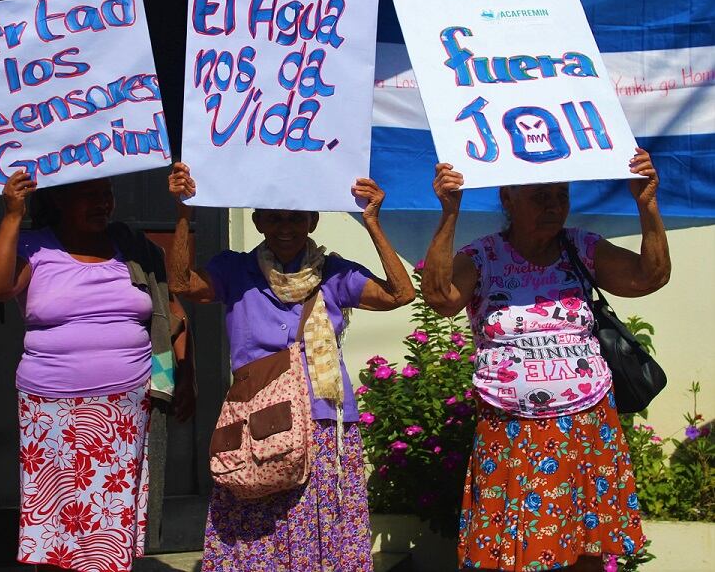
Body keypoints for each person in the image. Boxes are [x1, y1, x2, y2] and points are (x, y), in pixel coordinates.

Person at [421, 148, 671, 572]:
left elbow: (651, 276)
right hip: (512, 428)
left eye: (561, 194)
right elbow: (440, 298)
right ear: (507, 198)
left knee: (584, 545)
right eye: (540, 195)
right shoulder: (482, 257)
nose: (553, 205)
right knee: (509, 550)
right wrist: (449, 213)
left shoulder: (581, 247)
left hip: (585, 423)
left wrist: (646, 204)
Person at [167, 162, 415, 571]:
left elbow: (400, 293)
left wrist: (372, 223)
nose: (286, 226)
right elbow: (182, 284)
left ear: (313, 220)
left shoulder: (334, 273)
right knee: (257, 530)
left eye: (296, 217)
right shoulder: (235, 269)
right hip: (258, 422)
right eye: (276, 217)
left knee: (326, 530)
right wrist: (183, 214)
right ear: (259, 220)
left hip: (322, 420)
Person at [0, 172, 194, 572]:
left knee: (107, 525)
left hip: (122, 411)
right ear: (60, 200)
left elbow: (174, 311)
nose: (103, 203)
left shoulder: (133, 249)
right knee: (57, 523)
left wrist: (187, 376)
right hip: (51, 412)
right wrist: (12, 215)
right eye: (89, 195)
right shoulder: (33, 247)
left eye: (107, 194)